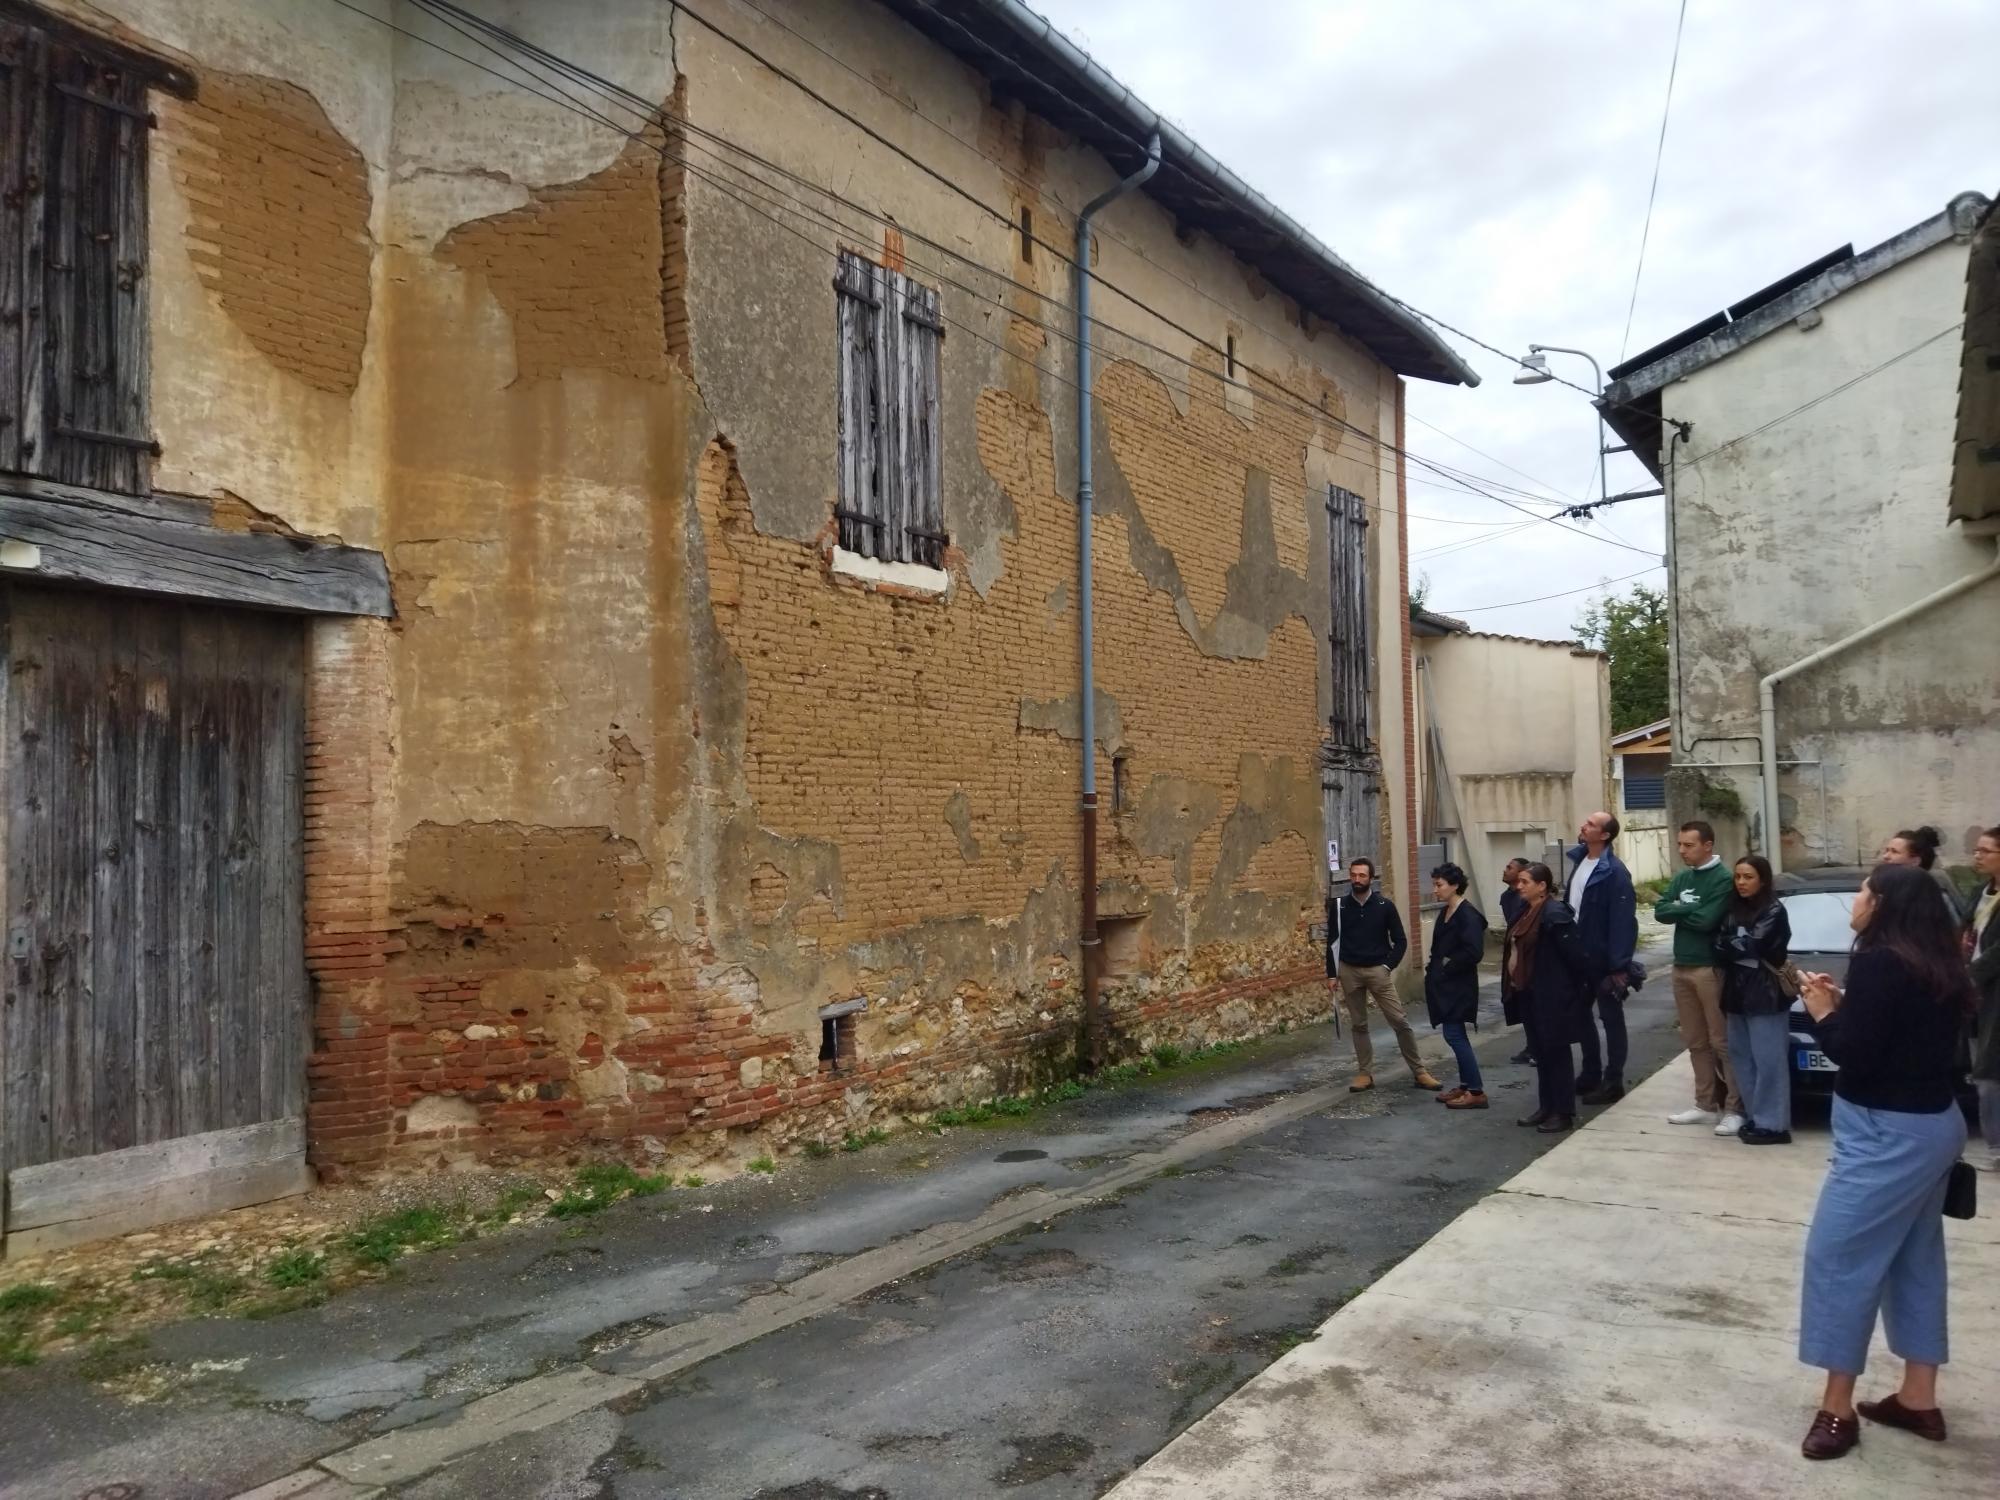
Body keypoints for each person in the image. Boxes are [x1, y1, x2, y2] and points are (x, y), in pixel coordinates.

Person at [1796, 863, 1973, 1460]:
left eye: (1866, 890)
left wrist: (1823, 1012)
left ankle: (1837, 1408)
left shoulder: (1878, 961)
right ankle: (1919, 1397)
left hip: (1883, 1132)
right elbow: (1906, 1033)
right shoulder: (1939, 962)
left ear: (1883, 904)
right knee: (1913, 1259)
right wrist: (1847, 1003)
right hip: (1933, 1125)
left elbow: (1856, 1054)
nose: (1859, 898)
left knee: (1839, 1259)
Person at [1654, 821, 1745, 1135]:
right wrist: (1683, 908)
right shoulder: (1682, 877)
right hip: (1681, 965)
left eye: (1688, 845)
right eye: (1680, 844)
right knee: (1695, 1041)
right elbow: (1660, 911)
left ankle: (1734, 1108)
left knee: (1721, 1041)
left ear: (1708, 845)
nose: (1682, 851)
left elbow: (1707, 921)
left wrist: (1679, 907)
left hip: (1709, 968)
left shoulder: (1722, 879)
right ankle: (1704, 1104)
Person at [1329, 857, 1441, 1094]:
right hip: (1349, 971)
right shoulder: (1339, 907)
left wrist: (1387, 966)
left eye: (1362, 875)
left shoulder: (1384, 906)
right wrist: (1332, 974)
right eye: (1354, 875)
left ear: (1371, 878)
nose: (1357, 880)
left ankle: (1420, 1071)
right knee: (1359, 1024)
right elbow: (1332, 941)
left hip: (1377, 971)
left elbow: (1400, 941)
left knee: (1399, 1021)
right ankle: (1364, 1073)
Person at [1507, 862, 1594, 1133]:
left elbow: (1575, 957)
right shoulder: (1525, 911)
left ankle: (1563, 1111)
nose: (1519, 886)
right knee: (1541, 1052)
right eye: (1519, 881)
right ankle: (1546, 1107)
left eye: (1525, 882)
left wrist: (1573, 994)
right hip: (1530, 993)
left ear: (1542, 886)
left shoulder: (1555, 914)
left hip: (1553, 996)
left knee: (1556, 1053)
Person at [1715, 855, 1795, 1144]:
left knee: (1769, 1061)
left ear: (1762, 879)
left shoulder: (1774, 909)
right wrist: (1734, 944)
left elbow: (1753, 945)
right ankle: (1755, 1117)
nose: (1741, 883)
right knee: (1742, 1058)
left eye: (1748, 877)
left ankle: (1773, 1124)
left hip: (1765, 994)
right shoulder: (1733, 909)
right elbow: (1719, 944)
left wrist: (1734, 944)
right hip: (1736, 993)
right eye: (1737, 877)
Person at [1566, 812, 1638, 1104]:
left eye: (1592, 824)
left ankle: (1613, 1080)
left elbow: (1623, 921)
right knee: (1580, 1016)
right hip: (1578, 955)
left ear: (1605, 835)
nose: (1584, 825)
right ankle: (1590, 1073)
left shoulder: (1615, 872)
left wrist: (1618, 966)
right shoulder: (1581, 860)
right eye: (1586, 822)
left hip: (1603, 959)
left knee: (1611, 1019)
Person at [1425, 863, 1491, 1110]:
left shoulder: (1468, 915)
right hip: (1445, 984)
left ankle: (1476, 1090)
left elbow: (1474, 951)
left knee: (1454, 1035)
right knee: (1454, 1034)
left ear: (1454, 885)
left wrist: (1446, 965)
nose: (1435, 890)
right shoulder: (1446, 911)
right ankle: (1465, 1085)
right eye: (1435, 884)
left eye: (1439, 885)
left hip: (1459, 985)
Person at [1968, 826, 2000, 1173]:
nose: (1978, 856)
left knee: (1990, 1072)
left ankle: (1997, 1145)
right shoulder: (1980, 892)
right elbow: (1967, 935)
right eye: (1977, 850)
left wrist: (1969, 976)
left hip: (1992, 991)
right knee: (1981, 1070)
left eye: (1986, 851)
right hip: (1975, 996)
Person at [1881, 825, 1968, 922]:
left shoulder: (1935, 900)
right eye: (1886, 850)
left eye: (1894, 852)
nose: (1885, 856)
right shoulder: (1880, 894)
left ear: (1915, 861)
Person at [1499, 858, 1534, 1065]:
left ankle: (1537, 1047)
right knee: (1521, 1002)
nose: (1505, 870)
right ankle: (1532, 1046)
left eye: (1509, 867)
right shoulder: (1506, 897)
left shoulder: (1525, 899)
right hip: (1513, 954)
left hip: (1526, 955)